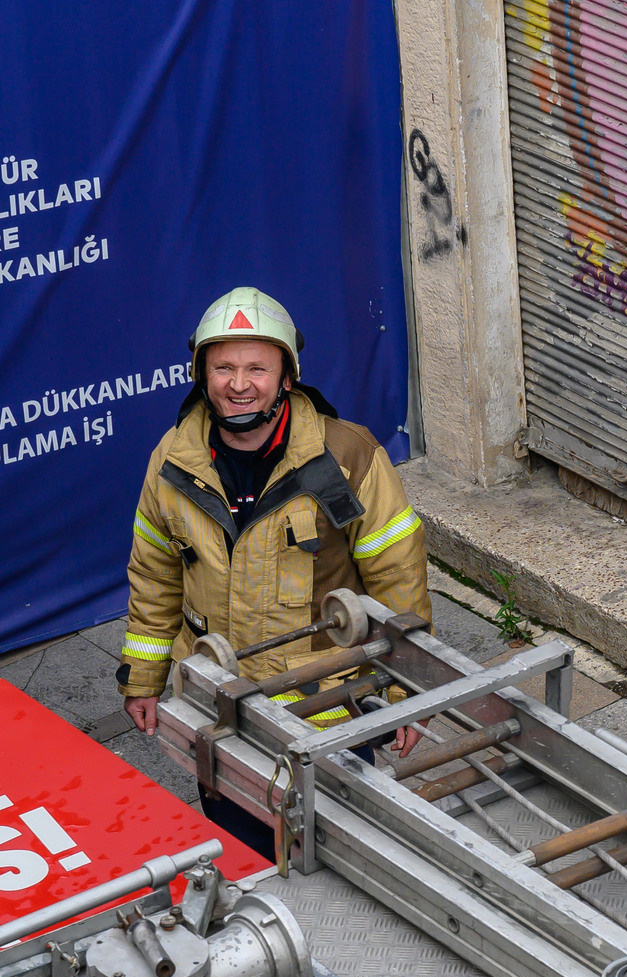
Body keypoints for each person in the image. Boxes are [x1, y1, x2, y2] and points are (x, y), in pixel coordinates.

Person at [117, 288, 429, 848]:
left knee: (334, 850)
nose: (240, 384)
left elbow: (398, 581)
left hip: (328, 713)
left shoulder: (348, 457)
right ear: (201, 375)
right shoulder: (172, 461)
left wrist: (409, 695)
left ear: (287, 376)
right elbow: (155, 578)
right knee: (238, 848)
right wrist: (143, 680)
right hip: (219, 709)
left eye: (258, 367)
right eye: (224, 367)